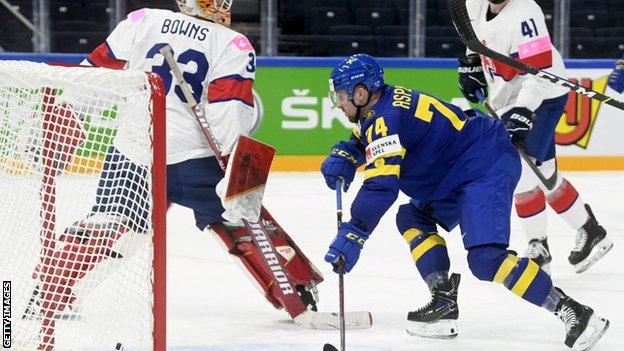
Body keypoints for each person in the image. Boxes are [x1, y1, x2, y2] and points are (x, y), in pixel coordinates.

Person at [26, 0, 323, 324]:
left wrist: (61, 121)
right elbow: (228, 115)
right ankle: (296, 288)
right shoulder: (232, 43)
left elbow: (92, 78)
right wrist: (236, 171)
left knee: (112, 222)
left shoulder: (142, 20)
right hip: (194, 160)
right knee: (240, 220)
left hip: (135, 151)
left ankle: (51, 292)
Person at [320, 53, 609, 350]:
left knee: (486, 260)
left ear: (360, 93)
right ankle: (443, 300)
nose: (338, 104)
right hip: (459, 169)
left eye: (341, 96)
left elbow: (382, 186)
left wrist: (355, 231)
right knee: (412, 218)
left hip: (484, 165)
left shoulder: (385, 118)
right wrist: (349, 152)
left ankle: (574, 311)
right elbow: (366, 136)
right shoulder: (381, 107)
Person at [458, 0, 612, 274]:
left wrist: (524, 111)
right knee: (545, 173)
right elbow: (472, 36)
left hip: (542, 95)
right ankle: (590, 230)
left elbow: (539, 74)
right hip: (508, 95)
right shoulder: (474, 4)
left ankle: (538, 246)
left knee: (521, 174)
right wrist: (471, 61)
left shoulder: (525, 13)